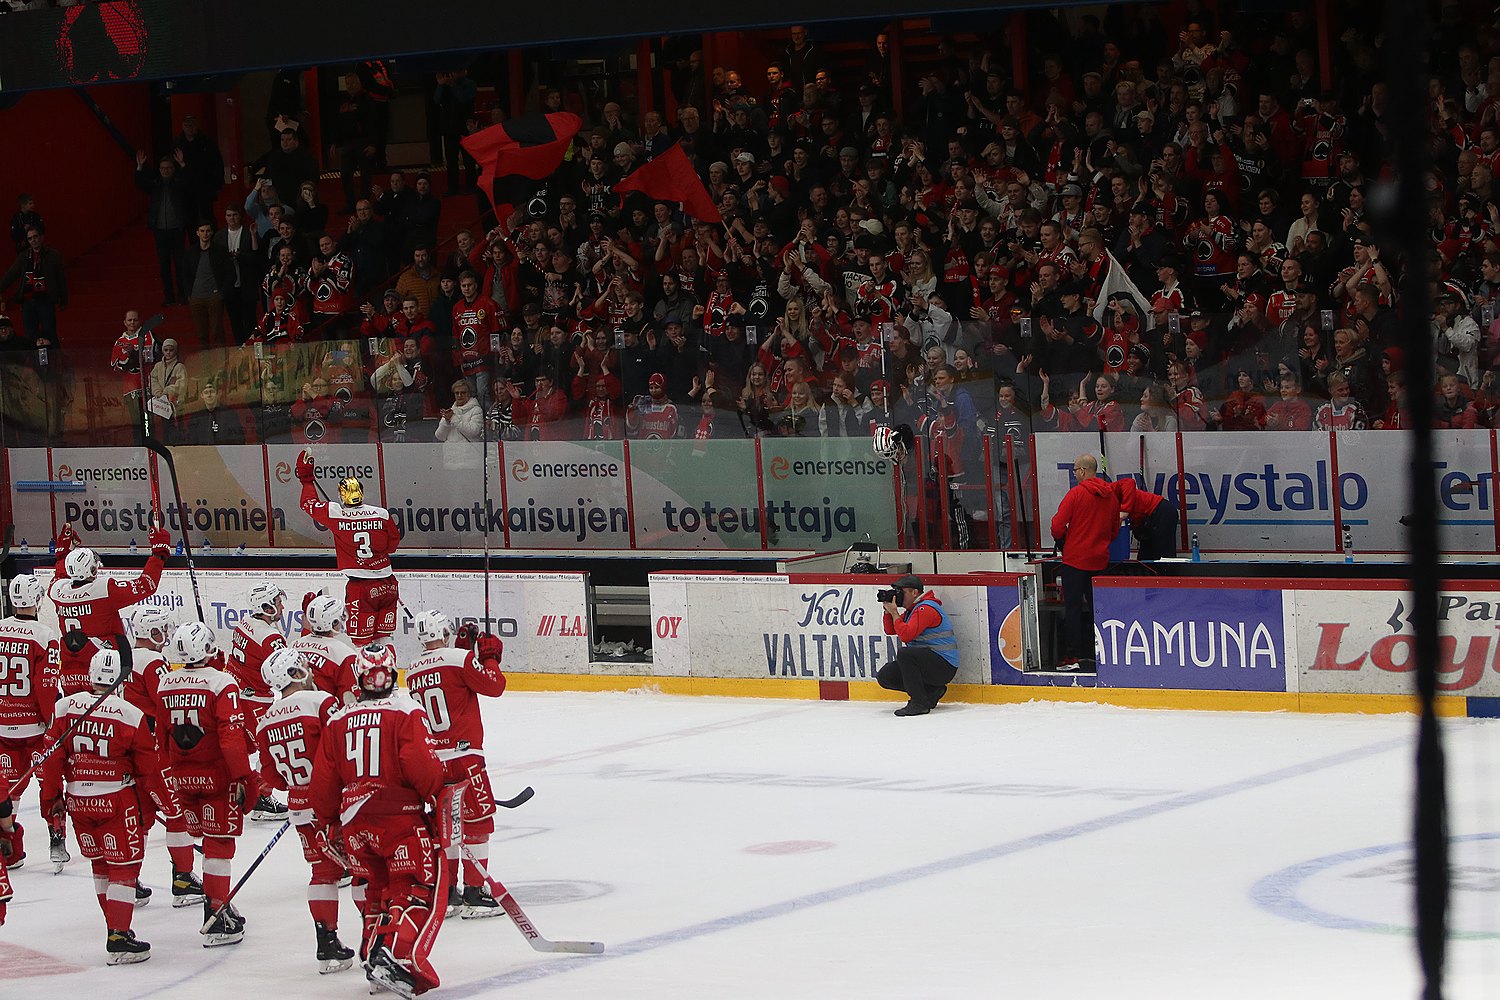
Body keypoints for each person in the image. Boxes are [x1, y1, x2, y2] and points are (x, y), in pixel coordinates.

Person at [310, 644, 451, 997]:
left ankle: (374, 958)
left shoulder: (338, 720)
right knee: (415, 888)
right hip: (399, 819)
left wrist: (329, 820)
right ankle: (396, 955)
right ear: (392, 674)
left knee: (377, 891)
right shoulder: (406, 711)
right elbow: (422, 766)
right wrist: (438, 792)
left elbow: (324, 783)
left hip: (355, 824)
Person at [39, 648, 160, 964]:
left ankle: (115, 927)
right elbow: (148, 769)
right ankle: (118, 936)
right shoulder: (130, 714)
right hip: (117, 800)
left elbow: (52, 761)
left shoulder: (65, 707)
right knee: (123, 868)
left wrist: (51, 801)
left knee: (99, 865)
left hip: (78, 801)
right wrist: (158, 807)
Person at [255, 648, 357, 974]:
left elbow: (271, 777)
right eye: (303, 669)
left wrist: (300, 787)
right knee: (364, 869)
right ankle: (377, 941)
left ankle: (326, 943)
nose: (310, 672)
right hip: (336, 803)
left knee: (322, 873)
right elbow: (347, 744)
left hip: (299, 808)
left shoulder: (265, 721)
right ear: (296, 674)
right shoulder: (321, 702)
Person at [155, 621, 254, 946]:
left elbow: (163, 735)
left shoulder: (166, 683)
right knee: (218, 845)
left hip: (183, 776)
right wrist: (243, 775)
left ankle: (215, 901)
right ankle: (215, 914)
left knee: (206, 841)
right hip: (217, 777)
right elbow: (230, 738)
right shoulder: (221, 683)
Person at [404, 612, 507, 917]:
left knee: (446, 827)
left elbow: (447, 680)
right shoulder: (457, 659)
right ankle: (475, 894)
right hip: (465, 757)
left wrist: (465, 648)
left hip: (434, 761)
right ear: (444, 631)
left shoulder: (411, 670)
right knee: (477, 823)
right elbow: (493, 685)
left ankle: (447, 893)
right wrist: (489, 657)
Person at [122, 607, 204, 905]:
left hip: (129, 750)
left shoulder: (124, 657)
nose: (166, 635)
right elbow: (168, 700)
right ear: (152, 632)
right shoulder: (154, 662)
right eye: (161, 630)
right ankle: (183, 879)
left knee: (141, 817)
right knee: (177, 813)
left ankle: (126, 880)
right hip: (154, 752)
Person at [47, 522, 170, 699]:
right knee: (106, 718)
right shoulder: (104, 590)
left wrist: (63, 554)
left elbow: (60, 574)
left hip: (69, 674)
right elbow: (146, 585)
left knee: (75, 718)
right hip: (102, 670)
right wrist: (159, 554)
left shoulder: (57, 590)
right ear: (92, 568)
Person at [295, 452, 403, 645]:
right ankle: (388, 673)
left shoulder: (335, 513)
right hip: (388, 584)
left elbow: (307, 504)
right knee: (384, 639)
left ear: (342, 495)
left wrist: (306, 479)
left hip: (361, 587)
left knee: (361, 643)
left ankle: (365, 675)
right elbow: (393, 544)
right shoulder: (382, 514)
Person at [0, 575, 61, 868]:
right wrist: (53, 724)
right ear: (38, 599)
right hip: (35, 728)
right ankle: (57, 839)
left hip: (2, 728)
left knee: (9, 790)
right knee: (49, 784)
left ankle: (9, 851)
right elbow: (45, 686)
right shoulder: (44, 635)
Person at [1049, 454, 1120, 671]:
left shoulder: (1076, 494)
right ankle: (1101, 652)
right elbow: (1114, 529)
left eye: (1074, 471)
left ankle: (1072, 656)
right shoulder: (1111, 496)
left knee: (1073, 609)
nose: (1074, 474)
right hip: (1100, 561)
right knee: (1099, 609)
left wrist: (1064, 541)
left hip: (1075, 561)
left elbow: (1057, 525)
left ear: (1081, 471)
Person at [226, 584, 291, 822]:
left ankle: (235, 791)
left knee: (239, 749)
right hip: (253, 701)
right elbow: (287, 669)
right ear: (265, 606)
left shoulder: (243, 623)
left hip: (234, 695)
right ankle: (260, 798)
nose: (281, 606)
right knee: (271, 750)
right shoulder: (270, 637)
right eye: (277, 601)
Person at [874, 575, 958, 717]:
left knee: (906, 654)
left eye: (901, 592)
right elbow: (890, 630)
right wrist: (888, 612)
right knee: (885, 675)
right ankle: (930, 692)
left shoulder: (925, 608)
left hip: (944, 667)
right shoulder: (912, 610)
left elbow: (906, 635)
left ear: (915, 592)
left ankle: (919, 703)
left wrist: (894, 612)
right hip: (930, 665)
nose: (898, 596)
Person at [135, 151, 194, 305]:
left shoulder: (178, 184)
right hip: (160, 230)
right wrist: (140, 166)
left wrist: (182, 164)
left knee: (180, 264)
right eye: (163, 168)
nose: (165, 170)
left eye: (168, 168)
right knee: (164, 265)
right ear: (159, 170)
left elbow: (189, 181)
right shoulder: (156, 185)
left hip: (177, 229)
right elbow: (140, 183)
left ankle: (182, 295)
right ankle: (169, 296)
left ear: (172, 169)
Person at [0, 226, 68, 348]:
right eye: (30, 238)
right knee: (30, 337)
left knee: (50, 335)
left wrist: (63, 299)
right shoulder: (24, 256)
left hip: (45, 300)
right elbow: (11, 275)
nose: (33, 240)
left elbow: (61, 279)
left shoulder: (53, 256)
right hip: (27, 302)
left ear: (41, 237)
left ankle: (56, 364)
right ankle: (33, 365)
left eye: (35, 237)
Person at [292, 594, 362, 705]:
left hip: (293, 713)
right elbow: (349, 699)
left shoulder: (293, 645)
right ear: (334, 622)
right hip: (323, 715)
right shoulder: (345, 655)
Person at [184, 220, 236, 349]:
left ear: (212, 232)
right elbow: (184, 274)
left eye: (207, 231)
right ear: (197, 233)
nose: (205, 234)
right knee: (201, 334)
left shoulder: (220, 251)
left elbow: (231, 274)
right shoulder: (191, 252)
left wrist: (221, 293)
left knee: (217, 331)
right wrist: (189, 294)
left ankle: (222, 364)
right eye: (202, 231)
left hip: (214, 297)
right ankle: (205, 364)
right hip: (196, 298)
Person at [1113, 479, 1179, 560]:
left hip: (1160, 511)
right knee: (1144, 561)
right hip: (1144, 523)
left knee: (1163, 558)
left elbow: (1129, 482)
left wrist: (1124, 511)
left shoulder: (1107, 490)